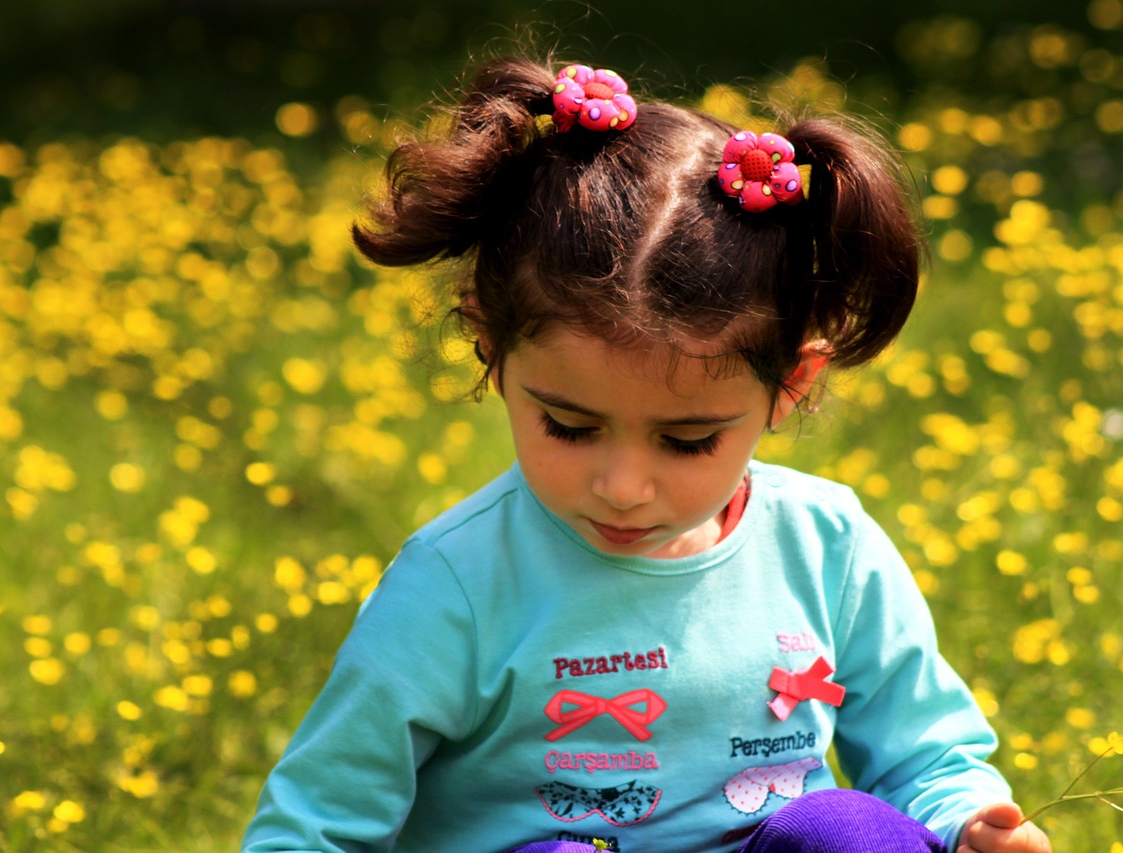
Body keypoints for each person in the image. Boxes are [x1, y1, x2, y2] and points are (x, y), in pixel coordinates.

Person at [241, 56, 1052, 853]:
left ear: (790, 385)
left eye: (689, 440)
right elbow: (318, 821)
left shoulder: (825, 547)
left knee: (847, 830)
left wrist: (968, 821)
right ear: (490, 345)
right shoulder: (457, 584)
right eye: (568, 425)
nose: (624, 487)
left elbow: (926, 756)